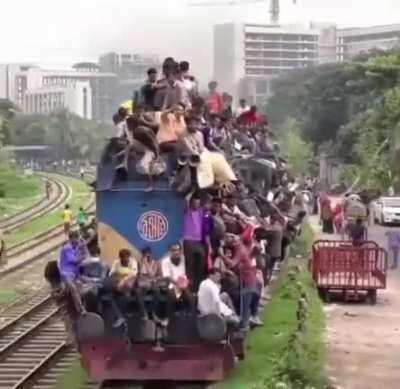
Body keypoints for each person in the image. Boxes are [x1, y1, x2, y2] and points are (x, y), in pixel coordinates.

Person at [44, 260, 86, 345]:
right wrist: (81, 309)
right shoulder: (67, 285)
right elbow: (76, 297)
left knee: (73, 333)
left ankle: (77, 346)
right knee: (79, 333)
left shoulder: (52, 289)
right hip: (74, 312)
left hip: (65, 314)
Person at [183, 193, 210, 292]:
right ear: (191, 203)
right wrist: (192, 191)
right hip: (188, 241)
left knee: (201, 264)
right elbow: (186, 200)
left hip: (199, 242)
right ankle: (188, 288)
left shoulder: (201, 212)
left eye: (198, 203)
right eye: (195, 203)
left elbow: (207, 203)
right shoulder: (187, 211)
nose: (197, 205)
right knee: (189, 265)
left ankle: (198, 287)